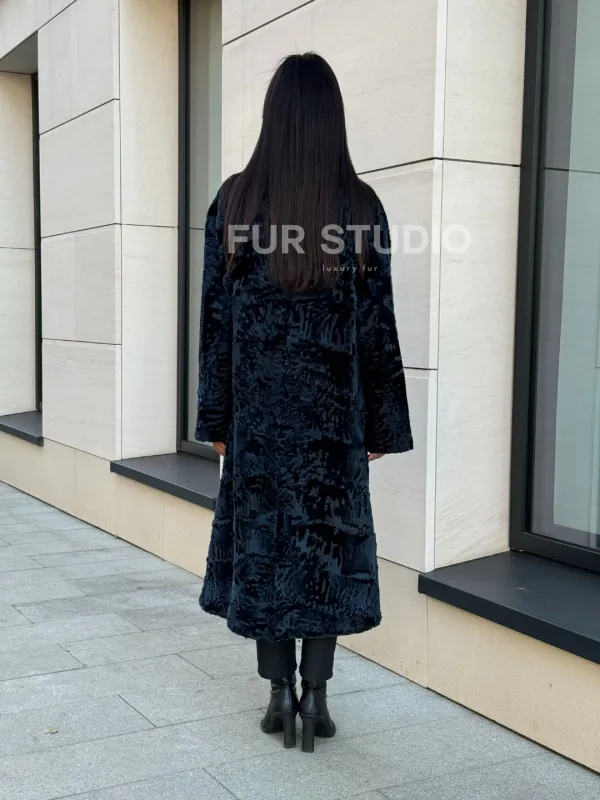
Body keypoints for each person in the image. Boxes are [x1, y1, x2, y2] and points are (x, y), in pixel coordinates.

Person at [195, 52, 412, 753]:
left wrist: (216, 418)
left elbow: (216, 325)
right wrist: (381, 424)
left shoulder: (234, 203)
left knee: (265, 546)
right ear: (331, 120)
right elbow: (378, 327)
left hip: (260, 421)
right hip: (332, 422)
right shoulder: (360, 207)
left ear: (273, 117)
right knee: (325, 549)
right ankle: (315, 699)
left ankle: (276, 695)